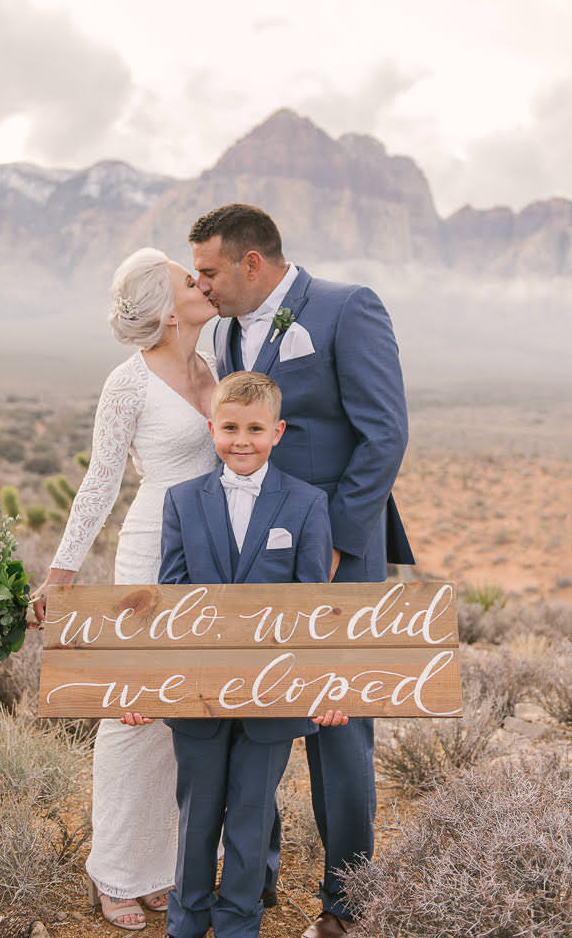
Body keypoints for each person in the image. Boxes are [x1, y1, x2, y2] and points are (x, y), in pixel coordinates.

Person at [188, 204, 414, 938]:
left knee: (338, 728)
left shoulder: (349, 308)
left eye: (211, 272)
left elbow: (384, 433)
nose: (204, 288)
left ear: (252, 264)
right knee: (253, 710)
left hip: (337, 559)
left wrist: (341, 542)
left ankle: (347, 904)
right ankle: (258, 879)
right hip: (249, 555)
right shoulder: (223, 331)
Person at [31, 247, 219, 931]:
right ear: (168, 311)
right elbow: (100, 480)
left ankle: (162, 869)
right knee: (131, 714)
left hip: (212, 559)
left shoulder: (216, 367)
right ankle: (112, 874)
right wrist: (61, 573)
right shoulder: (130, 382)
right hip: (149, 555)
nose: (200, 283)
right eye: (186, 280)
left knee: (187, 713)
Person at [158, 371, 334, 938]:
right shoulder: (182, 501)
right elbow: (170, 601)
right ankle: (186, 921)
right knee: (197, 813)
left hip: (274, 694)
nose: (241, 440)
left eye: (255, 429)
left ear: (277, 432)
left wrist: (327, 688)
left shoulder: (307, 503)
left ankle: (238, 922)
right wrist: (145, 686)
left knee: (252, 814)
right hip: (198, 690)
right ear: (212, 428)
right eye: (229, 427)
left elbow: (314, 610)